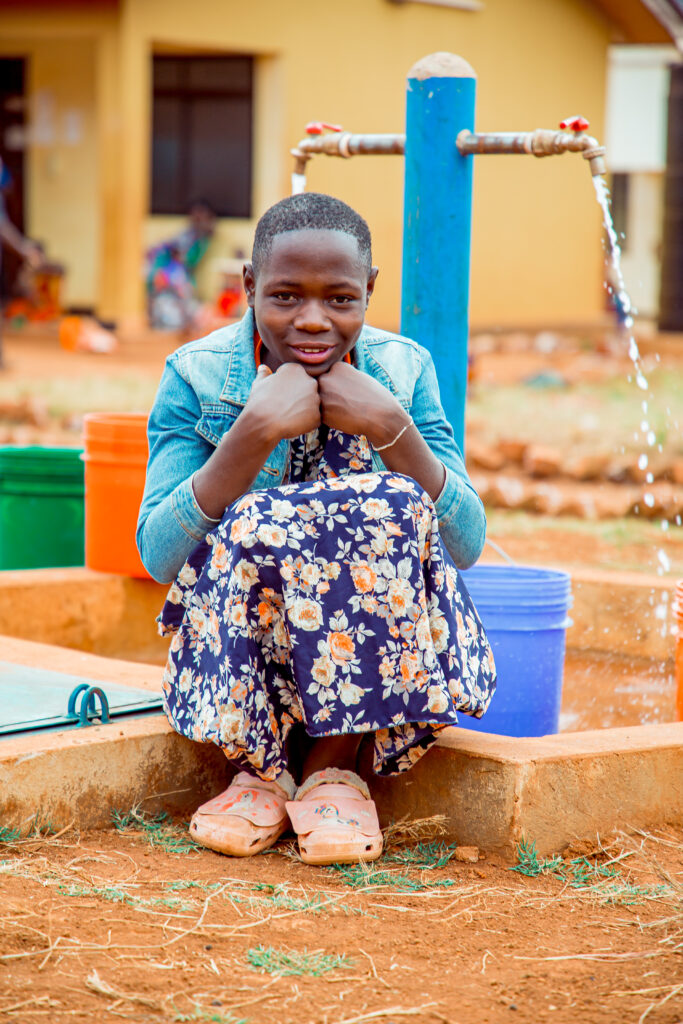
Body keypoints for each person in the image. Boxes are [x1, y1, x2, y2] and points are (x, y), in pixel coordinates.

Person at [137, 193, 496, 865]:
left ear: (369, 290)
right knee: (257, 515)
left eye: (338, 299)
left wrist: (393, 429)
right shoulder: (198, 374)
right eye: (283, 297)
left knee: (387, 501)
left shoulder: (402, 369)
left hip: (370, 653)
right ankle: (262, 771)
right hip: (248, 650)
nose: (312, 321)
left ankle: (337, 770)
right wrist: (249, 435)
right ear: (248, 286)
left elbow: (466, 544)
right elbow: (159, 555)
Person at [145, 199, 217, 330]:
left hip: (179, 291)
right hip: (168, 293)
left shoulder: (202, 241)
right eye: (196, 217)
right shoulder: (183, 241)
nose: (199, 220)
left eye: (204, 217)